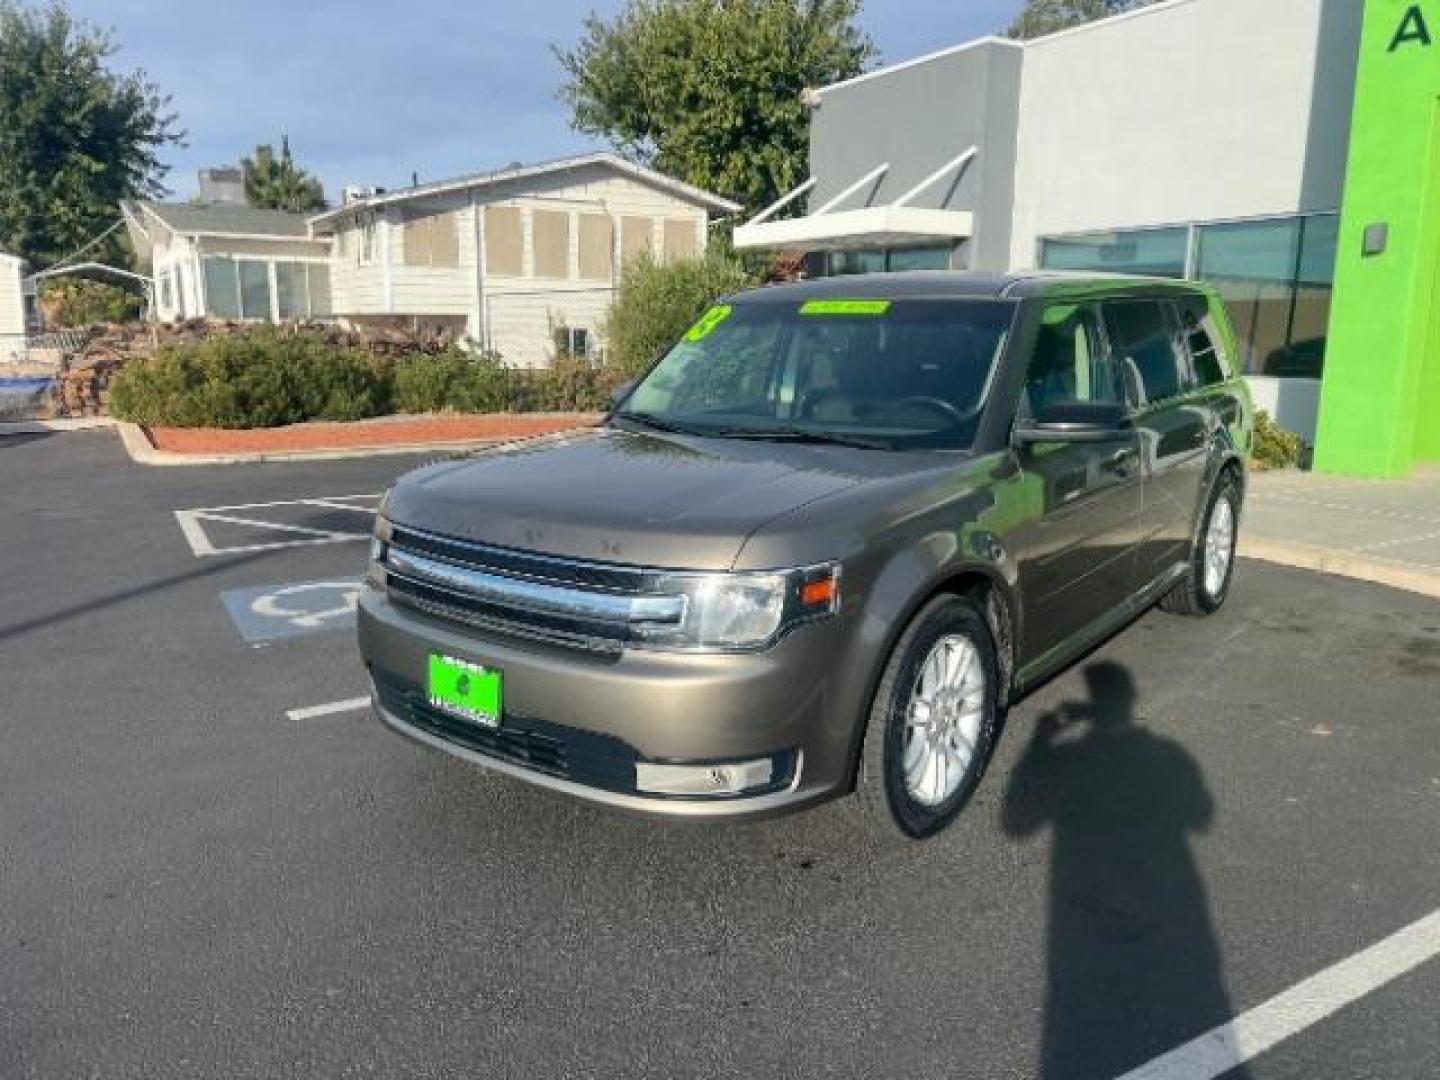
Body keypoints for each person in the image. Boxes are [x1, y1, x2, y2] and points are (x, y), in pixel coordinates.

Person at [1001, 662, 1248, 1079]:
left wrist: (1041, 740)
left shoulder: (1067, 758)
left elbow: (1016, 824)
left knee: (1080, 1031)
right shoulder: (1169, 756)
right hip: (1166, 919)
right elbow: (1201, 815)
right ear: (1130, 702)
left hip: (1080, 927)